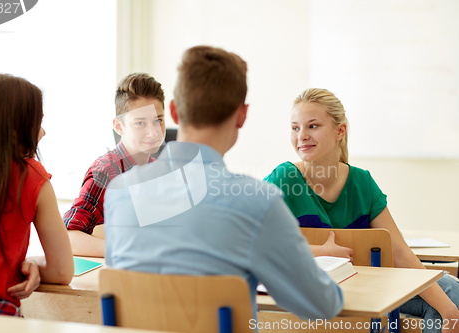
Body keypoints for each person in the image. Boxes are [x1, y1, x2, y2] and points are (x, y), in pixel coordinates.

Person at [104, 46, 343, 320]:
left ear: (173, 111)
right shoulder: (257, 202)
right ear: (242, 115)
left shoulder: (120, 192)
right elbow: (321, 306)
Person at [264, 88, 459, 333]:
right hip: (310, 291)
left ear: (340, 131)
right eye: (295, 128)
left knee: (450, 290)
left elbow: (399, 253)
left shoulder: (362, 182)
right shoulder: (284, 178)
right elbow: (250, 239)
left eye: (312, 126)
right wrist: (319, 252)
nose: (301, 136)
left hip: (368, 289)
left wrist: (449, 309)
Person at [0, 74, 74, 316]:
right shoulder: (31, 176)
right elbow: (61, 271)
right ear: (13, 131)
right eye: (37, 122)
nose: (42, 132)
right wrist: (29, 265)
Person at [64, 73, 166, 257]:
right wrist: (129, 249)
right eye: (140, 123)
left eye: (158, 120)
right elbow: (68, 238)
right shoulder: (106, 171)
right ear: (119, 126)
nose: (153, 133)